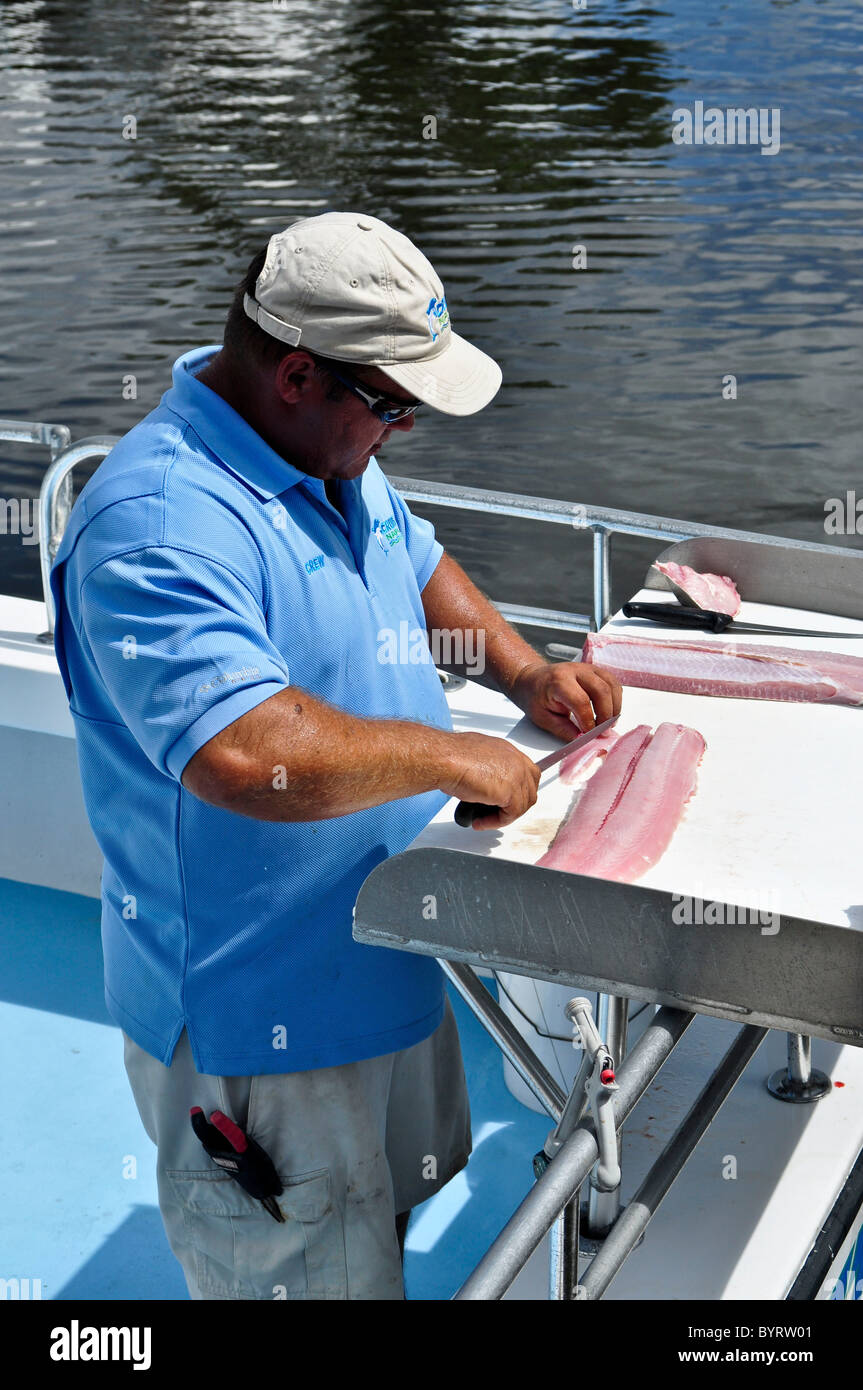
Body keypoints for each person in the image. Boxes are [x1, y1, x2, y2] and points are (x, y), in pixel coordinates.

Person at [49, 211, 621, 1300]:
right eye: (394, 405)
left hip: (378, 968)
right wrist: (452, 757)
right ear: (300, 373)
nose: (401, 431)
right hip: (258, 1034)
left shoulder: (320, 452)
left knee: (379, 1236)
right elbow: (242, 751)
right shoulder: (158, 521)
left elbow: (414, 561)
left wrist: (521, 673)